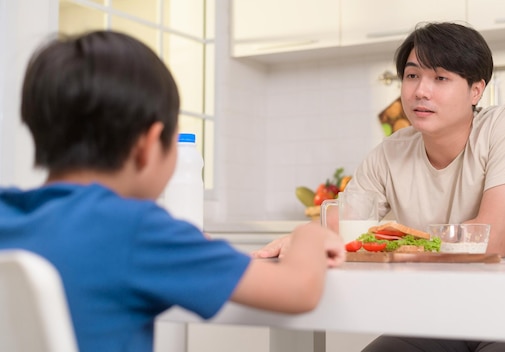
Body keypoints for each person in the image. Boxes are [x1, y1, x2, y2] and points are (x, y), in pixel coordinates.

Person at [0, 30, 345, 352]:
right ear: (149, 145)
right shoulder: (136, 229)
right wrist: (311, 236)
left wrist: (184, 247)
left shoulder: (8, 213)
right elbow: (299, 289)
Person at [254, 22, 505, 352]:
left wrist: (394, 245)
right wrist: (305, 240)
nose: (420, 91)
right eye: (412, 76)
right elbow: (342, 228)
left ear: (476, 90)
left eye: (440, 78)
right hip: (440, 319)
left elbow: (491, 240)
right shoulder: (389, 152)